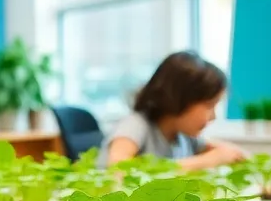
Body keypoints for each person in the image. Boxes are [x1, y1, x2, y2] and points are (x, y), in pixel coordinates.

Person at [99, 51, 245, 169]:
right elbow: (118, 167)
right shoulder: (135, 125)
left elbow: (226, 151)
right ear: (180, 98)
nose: (213, 116)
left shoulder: (183, 136)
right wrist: (205, 161)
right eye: (209, 105)